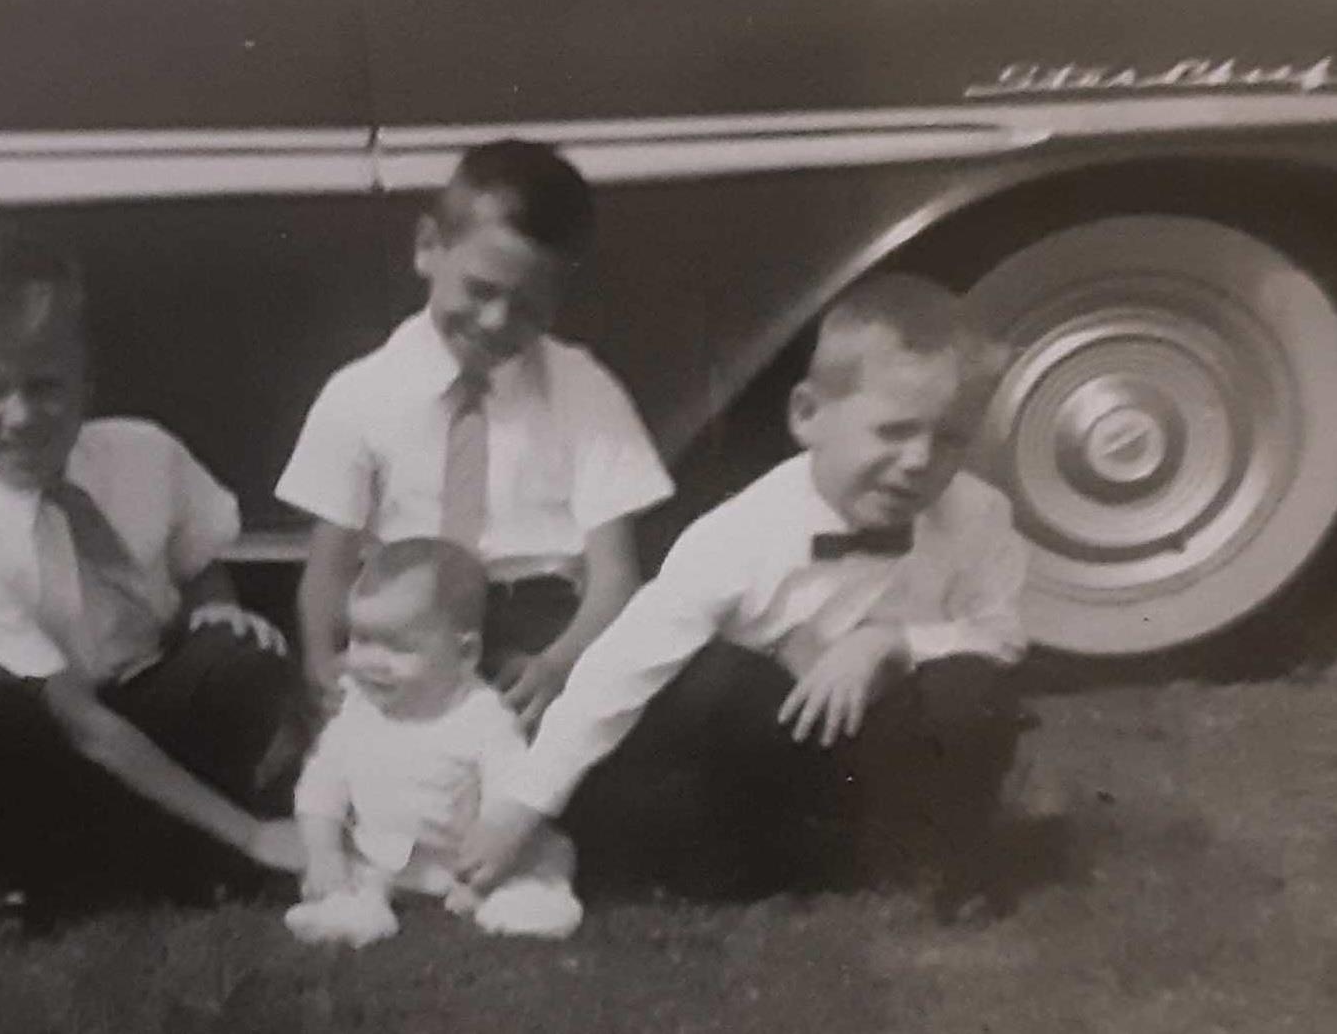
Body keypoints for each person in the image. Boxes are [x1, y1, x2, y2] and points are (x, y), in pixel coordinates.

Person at [460, 272, 1031, 912]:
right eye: (893, 431)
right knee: (717, 685)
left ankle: (945, 861)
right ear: (807, 415)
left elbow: (1003, 635)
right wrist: (523, 805)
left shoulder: (977, 515)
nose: (920, 460)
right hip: (770, 739)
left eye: (949, 438)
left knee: (972, 686)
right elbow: (619, 670)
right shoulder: (741, 533)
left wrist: (893, 642)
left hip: (884, 731)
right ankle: (768, 856)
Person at [0, 216, 304, 939]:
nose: (20, 416)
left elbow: (199, 566)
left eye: (45, 385)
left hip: (147, 695)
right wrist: (253, 834)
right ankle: (21, 872)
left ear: (86, 376)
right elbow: (81, 726)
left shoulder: (144, 454)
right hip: (46, 737)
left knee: (246, 652)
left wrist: (215, 608)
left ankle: (169, 848)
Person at [276, 139, 673, 730]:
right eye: (480, 289)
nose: (496, 322)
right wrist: (321, 660)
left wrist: (559, 664)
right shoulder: (359, 393)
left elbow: (615, 577)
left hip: (542, 623)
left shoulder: (583, 389)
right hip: (410, 625)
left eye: (529, 307)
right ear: (427, 247)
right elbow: (328, 569)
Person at [284, 538, 583, 947]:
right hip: (387, 859)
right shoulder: (357, 709)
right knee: (354, 877)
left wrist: (481, 877)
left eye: (399, 647)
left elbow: (509, 799)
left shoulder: (482, 717)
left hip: (475, 858)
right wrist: (323, 855)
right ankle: (355, 913)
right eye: (360, 639)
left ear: (465, 653)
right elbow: (321, 788)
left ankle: (523, 900)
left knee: (536, 865)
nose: (371, 662)